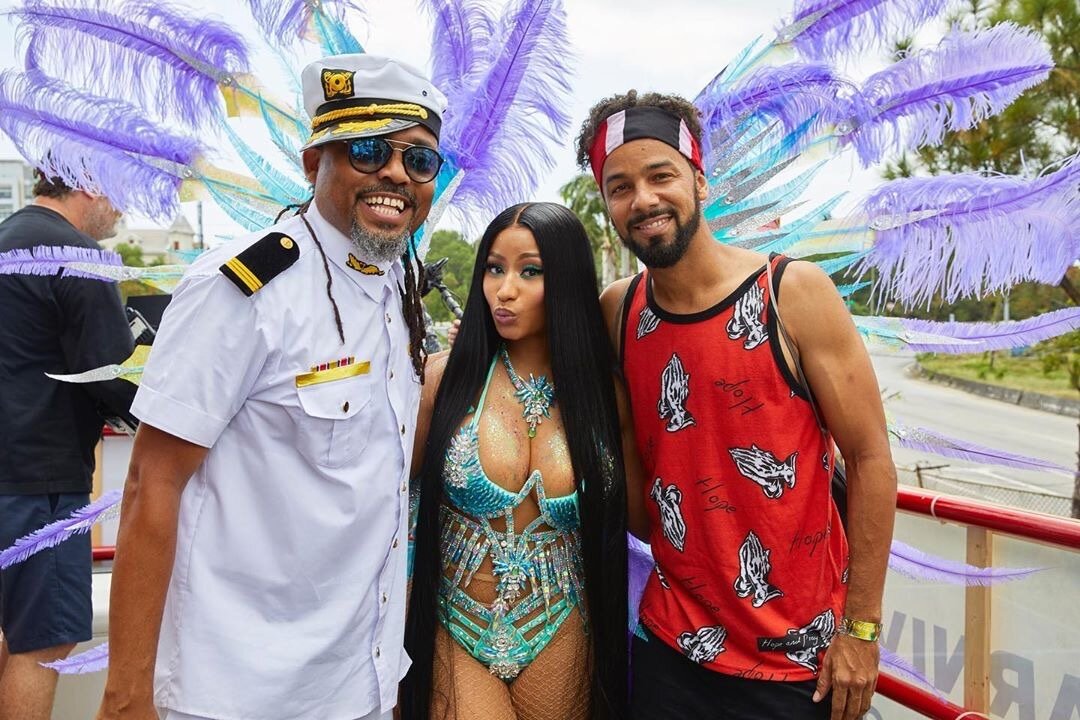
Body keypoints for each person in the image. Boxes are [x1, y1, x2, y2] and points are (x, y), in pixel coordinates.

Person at [95, 54, 446, 720]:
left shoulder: (398, 284)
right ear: (314, 164)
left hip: (358, 683)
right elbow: (151, 484)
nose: (397, 174)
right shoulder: (243, 288)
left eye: (420, 159)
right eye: (368, 150)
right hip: (236, 691)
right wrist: (126, 695)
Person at [580, 92, 897, 720]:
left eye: (661, 175)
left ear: (699, 180)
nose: (643, 199)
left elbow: (870, 459)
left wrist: (861, 631)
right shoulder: (618, 311)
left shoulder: (792, 294)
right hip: (671, 651)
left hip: (796, 664)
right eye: (620, 187)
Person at [402, 203, 637, 720]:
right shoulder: (442, 380)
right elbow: (386, 506)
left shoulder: (606, 399)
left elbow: (647, 522)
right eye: (494, 268)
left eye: (530, 271)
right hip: (455, 622)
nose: (504, 290)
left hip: (563, 625)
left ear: (568, 282)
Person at [0, 171, 133, 720]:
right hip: (42, 481)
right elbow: (114, 376)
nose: (123, 208)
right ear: (88, 182)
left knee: (11, 634)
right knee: (45, 642)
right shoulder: (79, 258)